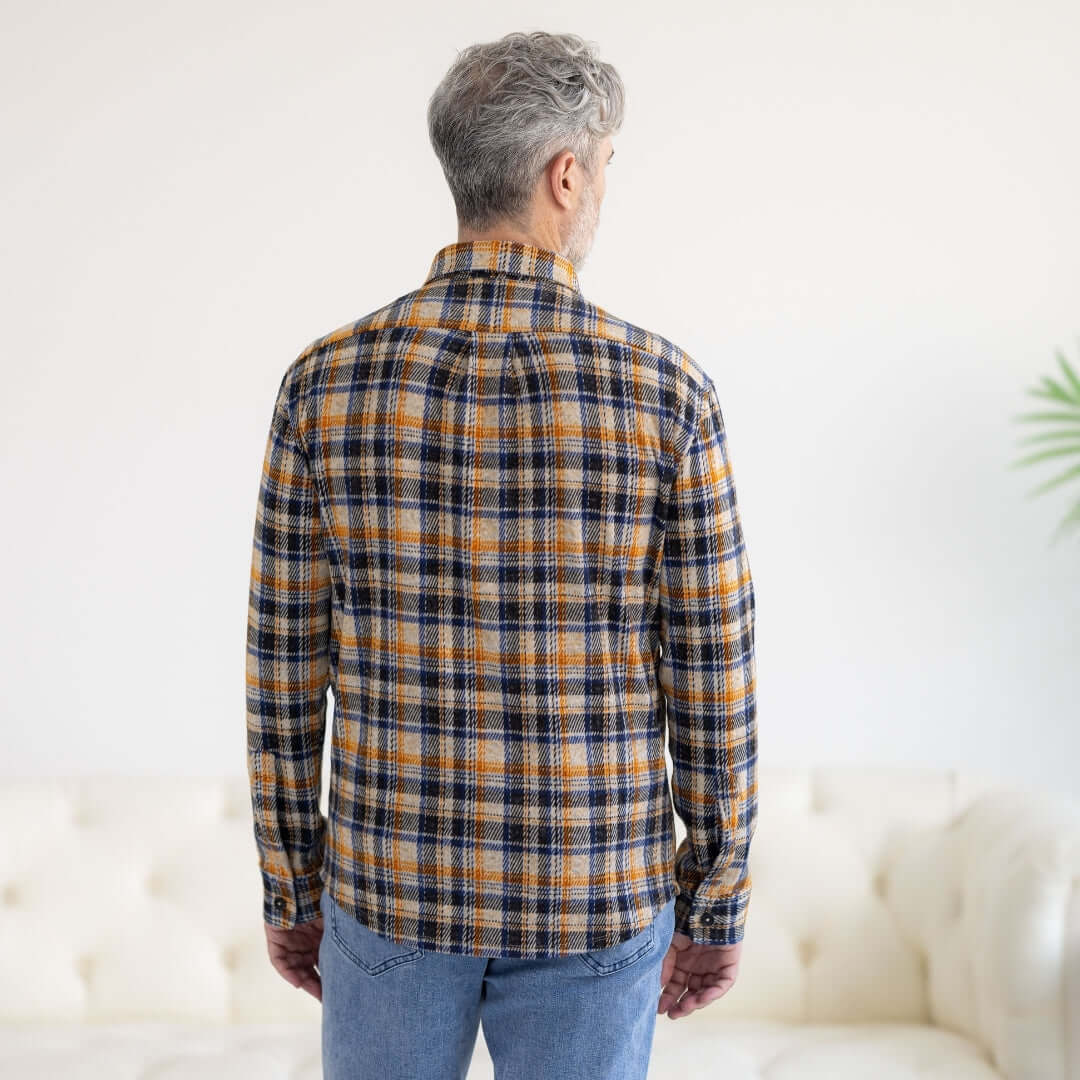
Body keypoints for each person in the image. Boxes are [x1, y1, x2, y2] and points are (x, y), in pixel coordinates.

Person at [245, 28, 758, 1080]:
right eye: (606, 165)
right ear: (564, 175)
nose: (605, 187)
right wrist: (716, 898)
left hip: (389, 894)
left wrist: (293, 890)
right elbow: (714, 676)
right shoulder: (667, 395)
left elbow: (285, 671)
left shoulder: (324, 384)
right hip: (593, 893)